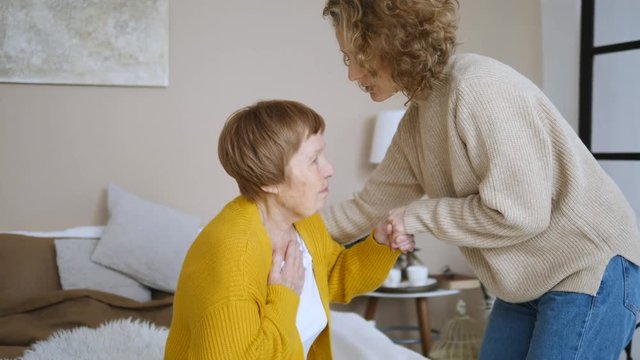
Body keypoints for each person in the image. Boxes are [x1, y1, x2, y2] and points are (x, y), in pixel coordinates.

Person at [320, 1, 640, 359]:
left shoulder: (477, 88)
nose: (352, 75)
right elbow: (366, 209)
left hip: (587, 266)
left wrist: (416, 216)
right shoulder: (418, 119)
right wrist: (271, 230)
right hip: (525, 282)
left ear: (392, 41)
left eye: (358, 56)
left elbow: (521, 213)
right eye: (347, 59)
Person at [164, 100, 410, 359]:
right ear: (269, 181)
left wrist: (381, 244)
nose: (329, 170)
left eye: (323, 155)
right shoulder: (232, 258)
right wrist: (283, 298)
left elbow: (335, 276)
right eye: (314, 160)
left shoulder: (302, 221)